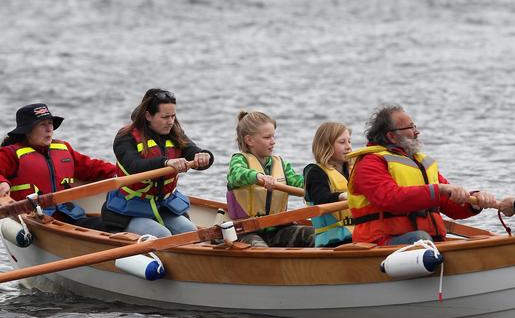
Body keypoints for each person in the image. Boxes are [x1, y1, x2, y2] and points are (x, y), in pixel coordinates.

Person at [346, 105, 498, 245]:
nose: (417, 132)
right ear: (391, 136)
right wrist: (439, 189)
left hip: (425, 241)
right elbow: (390, 198)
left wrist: (474, 202)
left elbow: (450, 205)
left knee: (424, 239)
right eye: (410, 127)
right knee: (421, 239)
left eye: (415, 126)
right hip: (381, 242)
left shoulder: (421, 163)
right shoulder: (370, 163)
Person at [101, 89, 213, 237]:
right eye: (165, 117)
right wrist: (166, 163)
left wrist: (204, 156)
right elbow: (134, 166)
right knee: (162, 235)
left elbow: (193, 150)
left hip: (162, 206)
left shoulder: (175, 133)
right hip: (129, 209)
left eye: (173, 116)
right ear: (148, 115)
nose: (171, 121)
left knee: (190, 232)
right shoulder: (125, 137)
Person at [0, 103, 116, 230]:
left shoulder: (63, 148)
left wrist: (121, 171)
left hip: (70, 215)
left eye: (50, 123)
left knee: (113, 225)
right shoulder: (10, 153)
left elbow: (92, 167)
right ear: (28, 131)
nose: (49, 129)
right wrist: (2, 182)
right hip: (36, 219)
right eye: (42, 124)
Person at [226, 111, 311, 247]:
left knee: (313, 236)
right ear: (250, 140)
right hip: (246, 232)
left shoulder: (280, 164)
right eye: (267, 137)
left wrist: (318, 183)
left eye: (273, 136)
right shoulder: (239, 160)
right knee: (260, 248)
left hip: (278, 229)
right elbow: (237, 175)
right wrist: (258, 177)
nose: (273, 142)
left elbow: (299, 183)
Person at [304, 122, 353, 247]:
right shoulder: (315, 172)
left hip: (357, 233)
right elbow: (321, 198)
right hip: (332, 240)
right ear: (326, 146)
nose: (348, 147)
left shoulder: (354, 170)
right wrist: (341, 196)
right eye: (342, 142)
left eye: (349, 141)